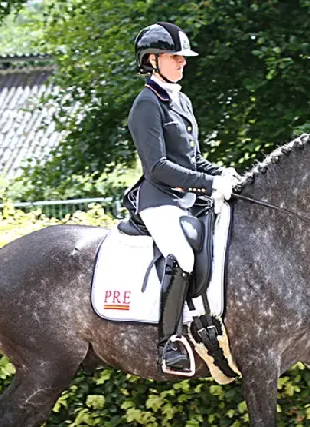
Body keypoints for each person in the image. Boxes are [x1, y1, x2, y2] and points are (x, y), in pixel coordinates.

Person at [128, 22, 239, 375]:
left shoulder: (181, 100)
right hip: (159, 200)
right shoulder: (147, 105)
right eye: (175, 57)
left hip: (188, 201)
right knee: (182, 257)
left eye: (182, 57)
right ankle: (169, 343)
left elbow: (192, 160)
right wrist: (207, 183)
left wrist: (221, 174)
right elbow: (158, 167)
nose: (182, 63)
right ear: (152, 59)